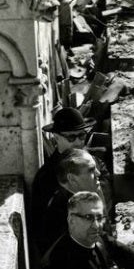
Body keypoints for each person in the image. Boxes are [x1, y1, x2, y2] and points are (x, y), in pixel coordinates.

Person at [31, 107, 95, 253]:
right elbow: (44, 230)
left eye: (82, 136)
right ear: (56, 137)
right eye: (71, 137)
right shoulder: (47, 177)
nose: (78, 142)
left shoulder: (87, 162)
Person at [36, 149, 110, 258]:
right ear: (72, 179)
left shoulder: (78, 197)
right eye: (91, 170)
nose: (98, 173)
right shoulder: (66, 210)